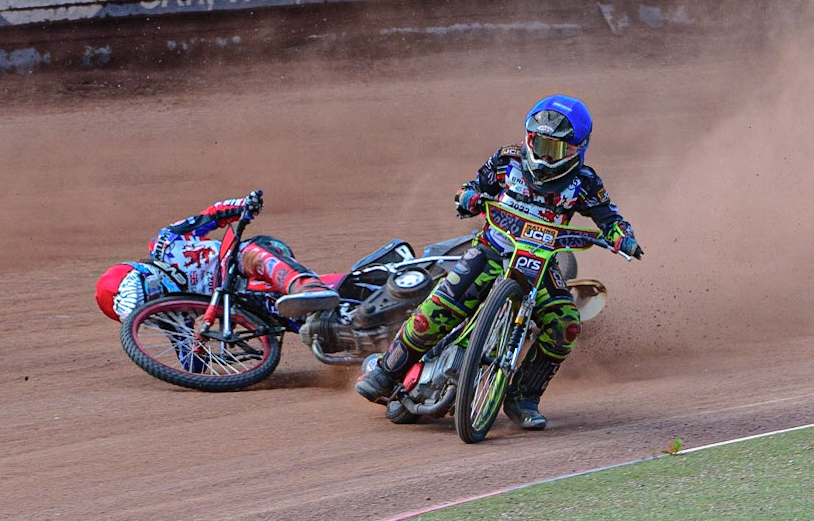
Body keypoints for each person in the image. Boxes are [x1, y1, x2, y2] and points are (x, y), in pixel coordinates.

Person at [355, 94, 643, 430]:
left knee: (566, 325)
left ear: (578, 149)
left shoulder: (586, 183)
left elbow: (610, 218)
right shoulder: (507, 160)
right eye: (539, 144)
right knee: (437, 309)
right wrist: (469, 198)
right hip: (492, 248)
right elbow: (471, 187)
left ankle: (523, 398)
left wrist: (623, 237)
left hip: (541, 262)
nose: (546, 156)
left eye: (557, 149)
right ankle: (387, 372)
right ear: (528, 138)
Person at [95, 191, 339, 322]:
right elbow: (194, 367)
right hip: (242, 302)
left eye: (150, 294)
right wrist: (197, 343)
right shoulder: (174, 316)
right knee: (297, 319)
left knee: (251, 255)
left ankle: (307, 286)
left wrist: (243, 206)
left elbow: (210, 216)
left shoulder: (166, 243)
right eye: (149, 306)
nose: (157, 302)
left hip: (241, 259)